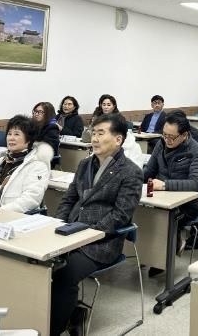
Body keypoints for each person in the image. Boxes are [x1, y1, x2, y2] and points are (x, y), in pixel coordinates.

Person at [52, 113, 142, 336]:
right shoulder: (85, 164)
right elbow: (69, 199)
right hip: (70, 232)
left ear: (118, 139)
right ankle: (70, 313)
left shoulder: (131, 172)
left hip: (102, 241)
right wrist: (60, 223)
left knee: (65, 273)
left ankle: (53, 329)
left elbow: (121, 215)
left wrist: (89, 234)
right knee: (39, 264)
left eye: (101, 133)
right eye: (93, 133)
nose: (94, 138)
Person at [143, 111, 198, 276]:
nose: (167, 140)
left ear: (184, 135)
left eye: (171, 137)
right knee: (141, 214)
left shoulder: (196, 151)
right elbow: (148, 171)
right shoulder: (161, 144)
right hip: (160, 198)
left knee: (163, 219)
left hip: (186, 204)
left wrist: (164, 185)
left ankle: (162, 257)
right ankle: (147, 253)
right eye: (164, 135)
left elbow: (196, 184)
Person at [0, 115, 52, 213]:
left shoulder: (38, 164)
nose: (11, 138)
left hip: (12, 216)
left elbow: (31, 199)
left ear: (29, 139)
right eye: (9, 134)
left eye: (17, 134)